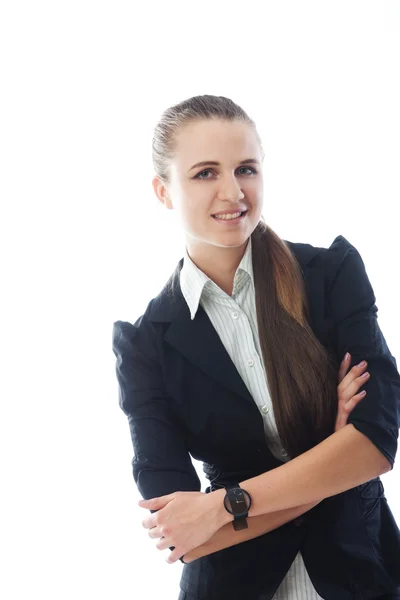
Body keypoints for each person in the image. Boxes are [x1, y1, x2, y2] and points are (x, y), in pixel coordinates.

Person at [112, 95, 400, 599]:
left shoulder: (330, 275)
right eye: (205, 173)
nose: (233, 191)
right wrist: (330, 459)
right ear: (163, 191)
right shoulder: (145, 345)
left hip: (363, 570)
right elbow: (184, 536)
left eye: (246, 168)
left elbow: (375, 445)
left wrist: (224, 506)